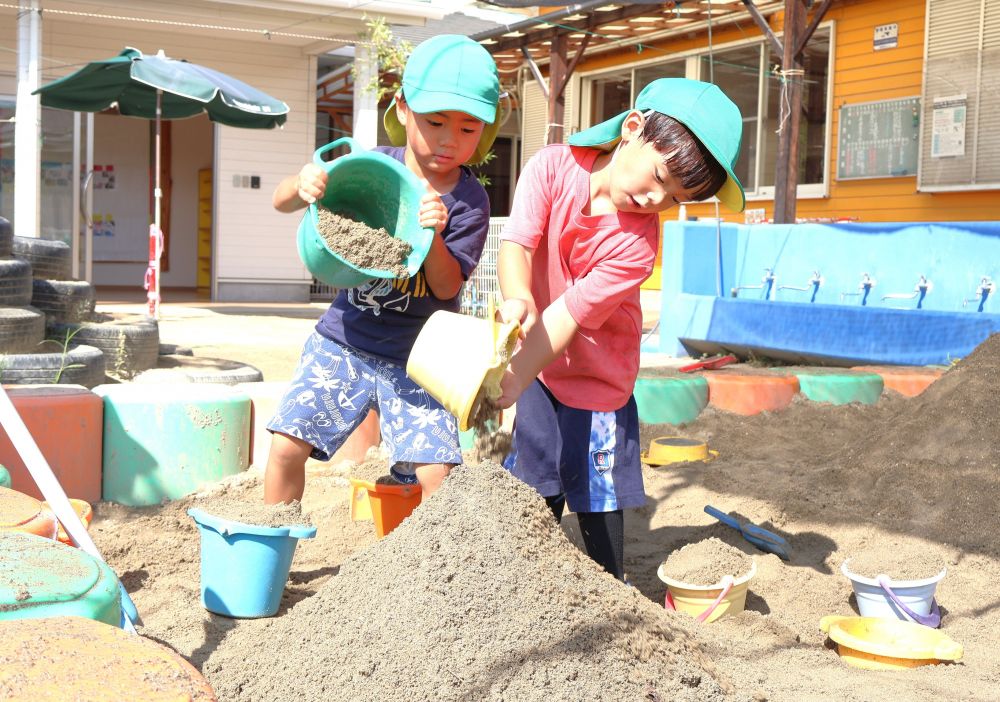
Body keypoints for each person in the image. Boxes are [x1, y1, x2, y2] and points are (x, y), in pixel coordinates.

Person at [493, 78, 745, 581]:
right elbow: (517, 244)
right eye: (660, 176)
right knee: (533, 481)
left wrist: (513, 374)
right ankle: (521, 588)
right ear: (633, 129)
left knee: (596, 490)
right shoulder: (551, 167)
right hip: (539, 368)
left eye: (675, 198)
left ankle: (610, 587)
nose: (656, 200)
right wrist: (518, 297)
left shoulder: (636, 247)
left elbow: (568, 314)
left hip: (596, 378)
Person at [264, 35, 501, 504]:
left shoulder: (469, 202)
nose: (449, 140)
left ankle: (436, 572)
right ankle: (273, 543)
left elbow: (446, 284)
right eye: (434, 122)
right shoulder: (372, 168)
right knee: (286, 446)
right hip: (343, 341)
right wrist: (303, 183)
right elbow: (282, 201)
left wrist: (432, 234)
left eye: (468, 129)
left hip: (421, 359)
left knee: (438, 476)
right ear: (403, 107)